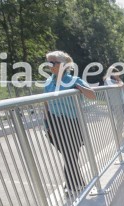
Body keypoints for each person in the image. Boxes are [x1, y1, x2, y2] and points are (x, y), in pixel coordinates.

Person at [43, 51, 95, 197]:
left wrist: (79, 88)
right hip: (55, 123)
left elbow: (92, 95)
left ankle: (73, 185)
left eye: (53, 62)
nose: (49, 65)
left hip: (72, 123)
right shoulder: (48, 83)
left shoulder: (74, 80)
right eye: (48, 62)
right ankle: (75, 185)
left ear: (63, 65)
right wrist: (47, 126)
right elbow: (46, 105)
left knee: (70, 155)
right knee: (69, 156)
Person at [103, 68, 124, 137]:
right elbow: (122, 84)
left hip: (118, 104)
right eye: (117, 74)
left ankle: (122, 139)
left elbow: (121, 84)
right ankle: (120, 141)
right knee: (121, 123)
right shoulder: (109, 80)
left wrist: (117, 79)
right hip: (116, 105)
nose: (118, 75)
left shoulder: (111, 80)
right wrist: (118, 79)